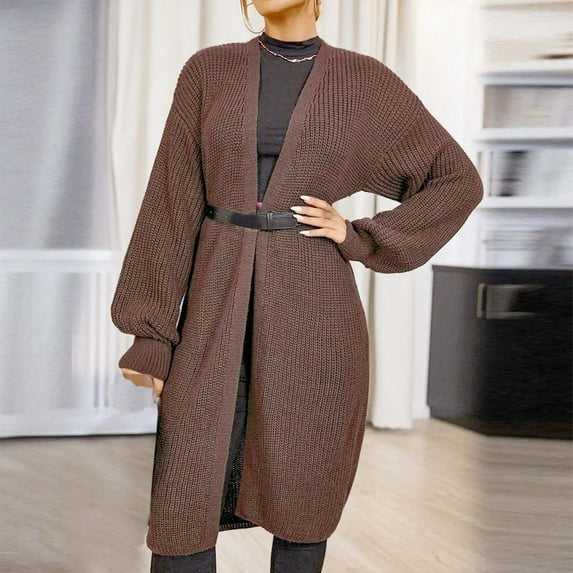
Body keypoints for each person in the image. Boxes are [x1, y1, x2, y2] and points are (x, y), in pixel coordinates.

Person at [110, 0, 484, 571]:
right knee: (187, 484)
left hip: (316, 304)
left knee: (306, 479)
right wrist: (150, 333)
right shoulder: (209, 70)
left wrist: (359, 236)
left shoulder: (363, 80)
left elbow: (456, 180)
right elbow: (171, 201)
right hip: (216, 297)